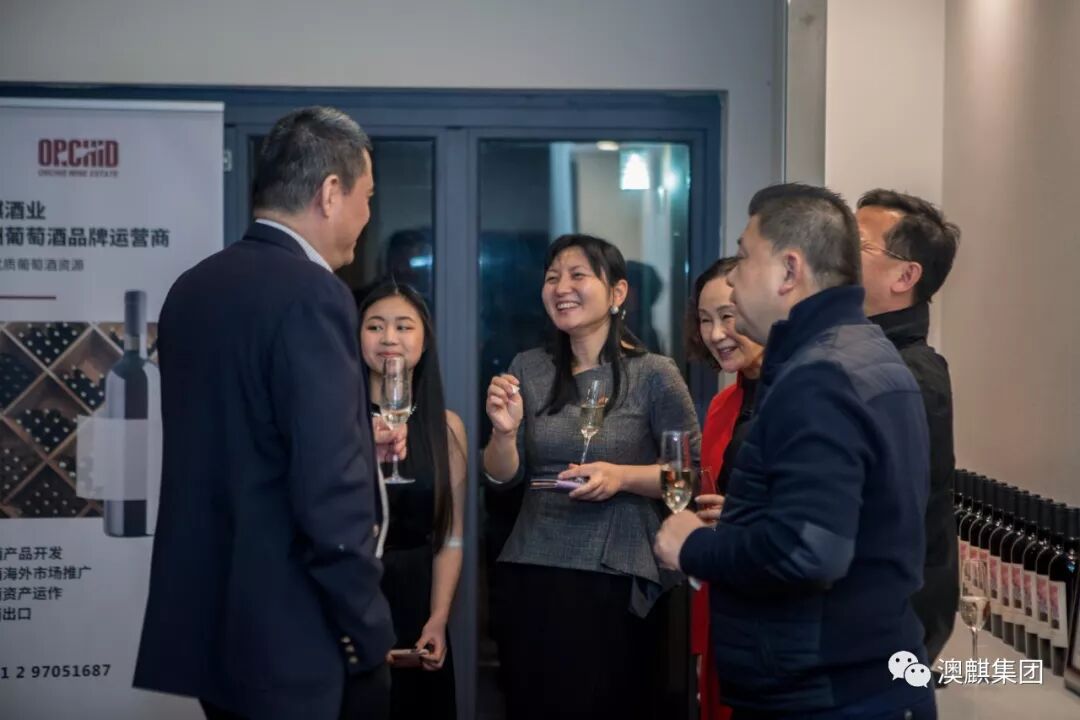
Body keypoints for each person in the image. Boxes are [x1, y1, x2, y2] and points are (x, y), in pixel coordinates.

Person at [135, 106, 401, 720]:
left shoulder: (193, 288)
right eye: (367, 197)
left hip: (214, 628)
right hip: (294, 631)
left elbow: (243, 438)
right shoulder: (313, 294)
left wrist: (357, 436)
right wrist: (366, 627)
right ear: (330, 193)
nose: (367, 216)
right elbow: (327, 489)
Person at [655, 183, 935, 719]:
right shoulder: (864, 350)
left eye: (743, 257)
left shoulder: (820, 376)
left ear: (789, 270)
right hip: (855, 679)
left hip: (827, 694)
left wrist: (694, 547)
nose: (732, 279)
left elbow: (807, 550)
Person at [483, 233, 699, 720]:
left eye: (578, 275)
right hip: (534, 563)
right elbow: (501, 478)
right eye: (552, 277)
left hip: (614, 569)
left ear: (617, 292)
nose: (562, 287)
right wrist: (503, 433)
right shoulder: (528, 368)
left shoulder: (654, 374)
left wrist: (621, 477)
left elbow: (689, 475)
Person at [857, 188, 960, 667]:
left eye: (858, 244)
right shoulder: (863, 356)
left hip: (882, 630)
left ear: (905, 276)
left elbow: (887, 517)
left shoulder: (909, 376)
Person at [357, 280, 465, 719]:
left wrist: (438, 617)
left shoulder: (447, 427)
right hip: (353, 594)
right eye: (374, 326)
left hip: (419, 601)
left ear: (424, 340)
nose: (389, 338)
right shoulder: (335, 423)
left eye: (404, 326)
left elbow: (451, 537)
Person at [685, 257, 765, 720]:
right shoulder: (721, 404)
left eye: (728, 316)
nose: (716, 334)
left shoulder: (803, 397)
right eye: (705, 319)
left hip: (773, 610)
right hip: (721, 600)